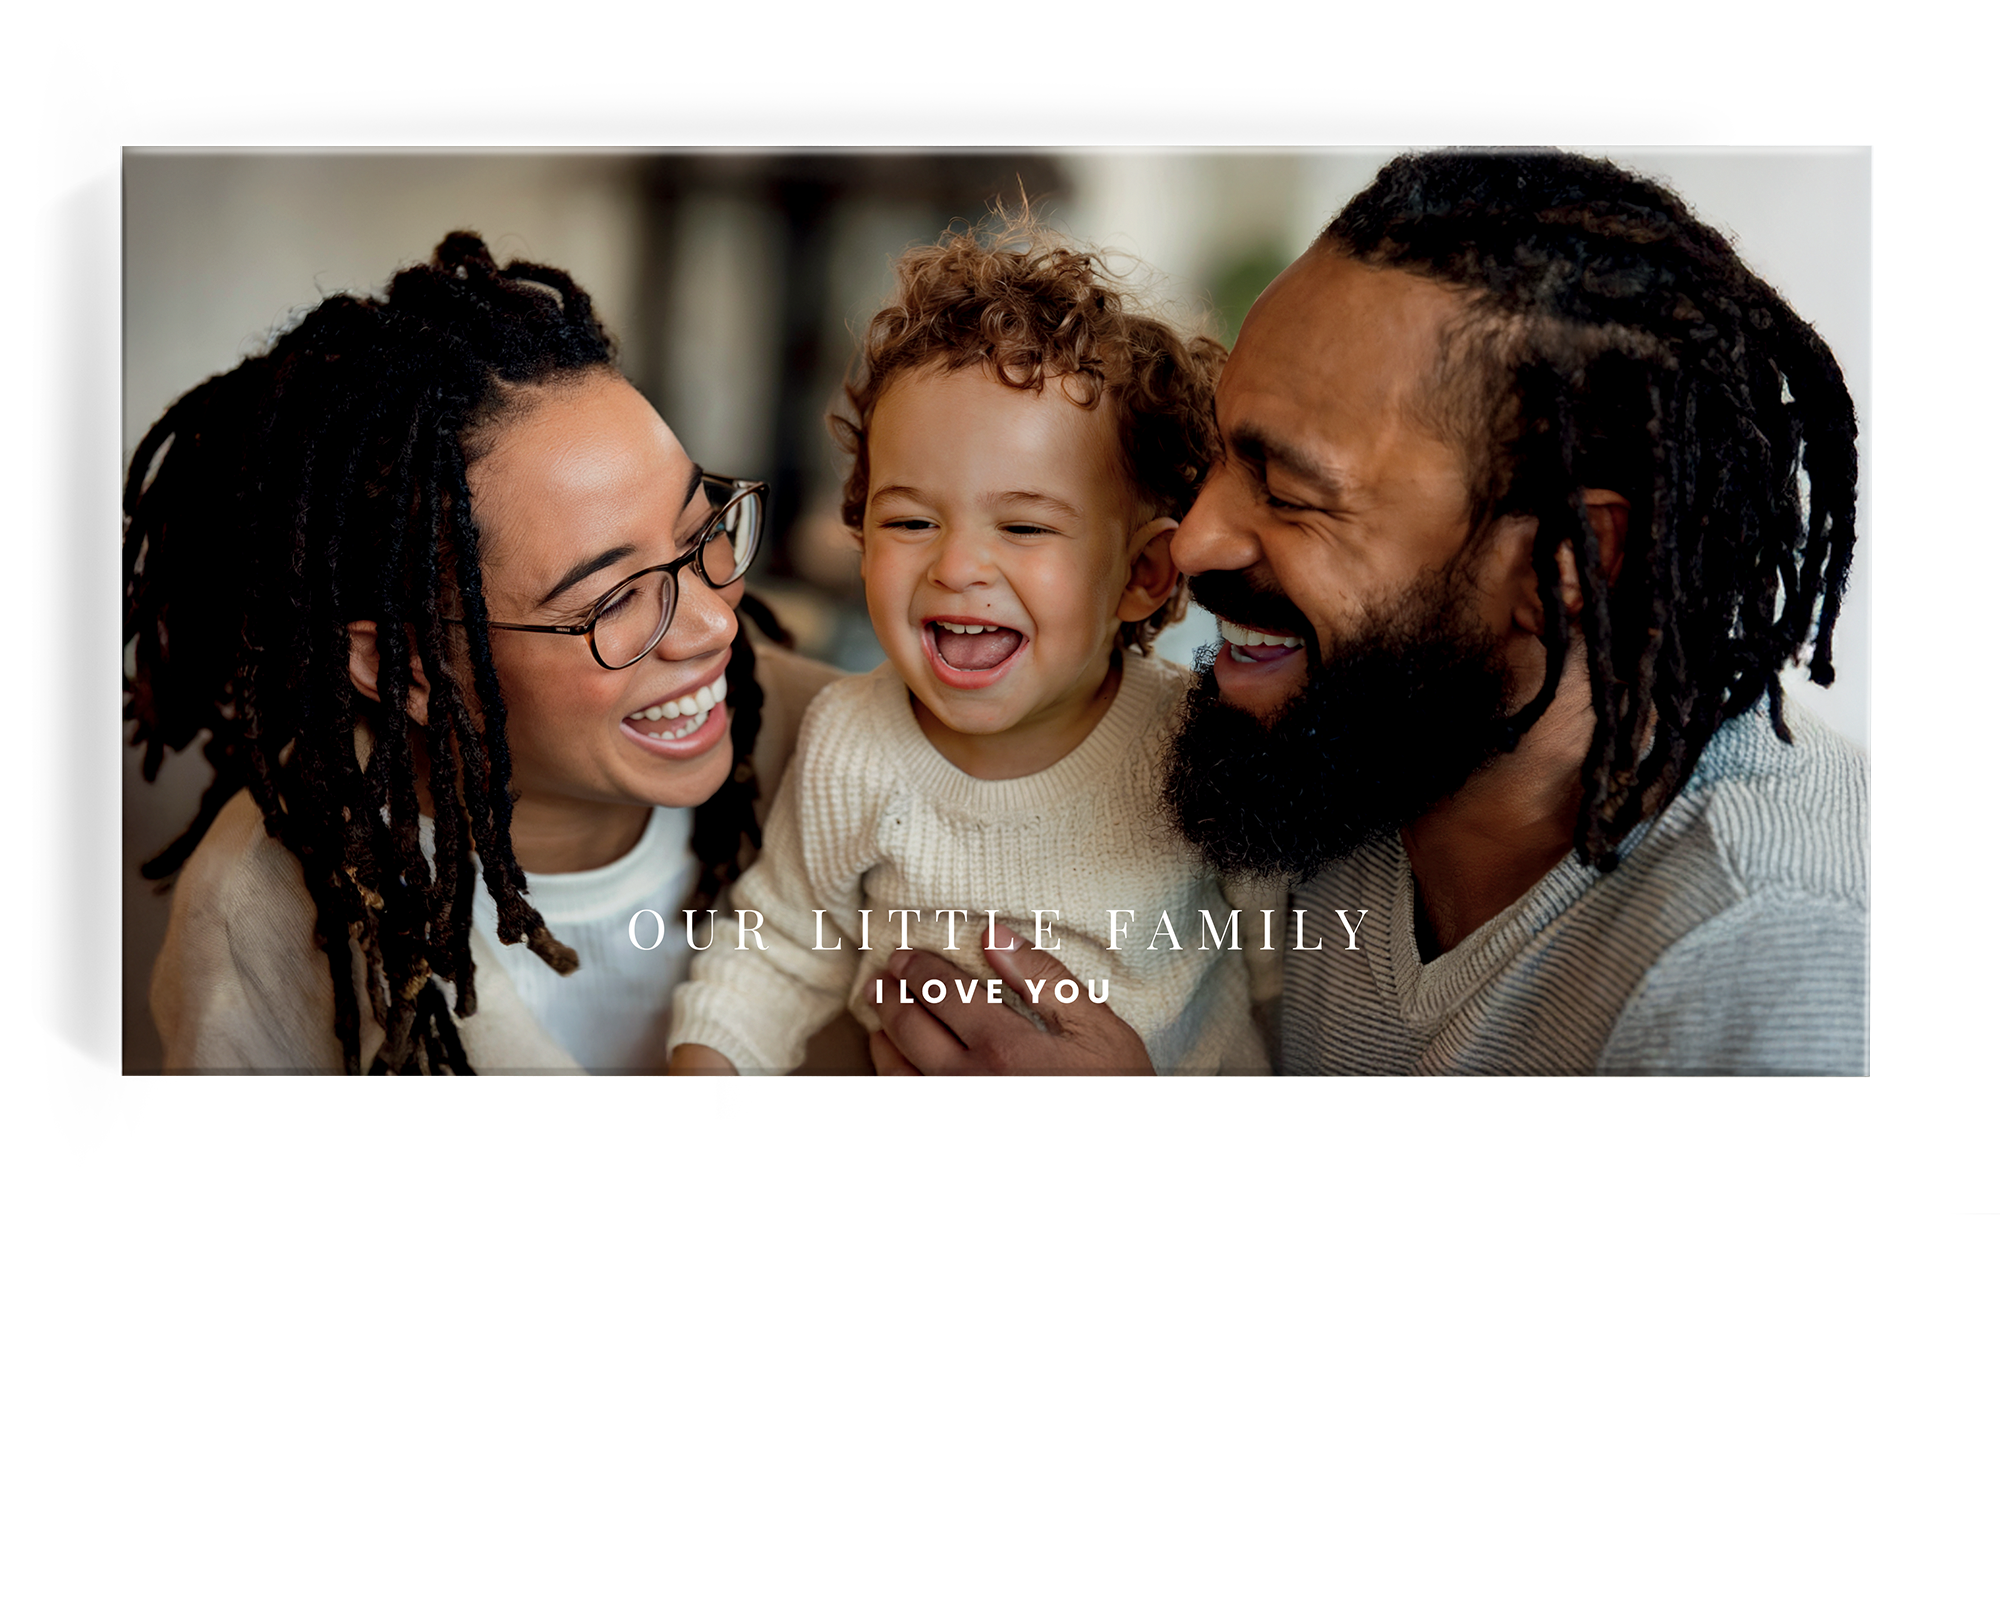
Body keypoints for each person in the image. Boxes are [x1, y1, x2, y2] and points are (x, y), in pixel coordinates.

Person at [867, 148, 1864, 1078]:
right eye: (1220, 456)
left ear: (1567, 564)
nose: (1194, 538)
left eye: (1289, 492)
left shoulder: (1778, 968)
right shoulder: (1335, 754)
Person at [128, 232, 846, 1074]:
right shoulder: (259, 917)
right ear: (404, 668)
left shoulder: (860, 755)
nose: (713, 625)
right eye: (614, 598)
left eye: (702, 533)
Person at [665, 219, 1284, 1077]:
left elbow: (1286, 982)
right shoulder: (851, 742)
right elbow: (777, 950)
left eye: (1024, 526)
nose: (956, 567)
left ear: (1143, 574)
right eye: (910, 522)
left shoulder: (1197, 744)